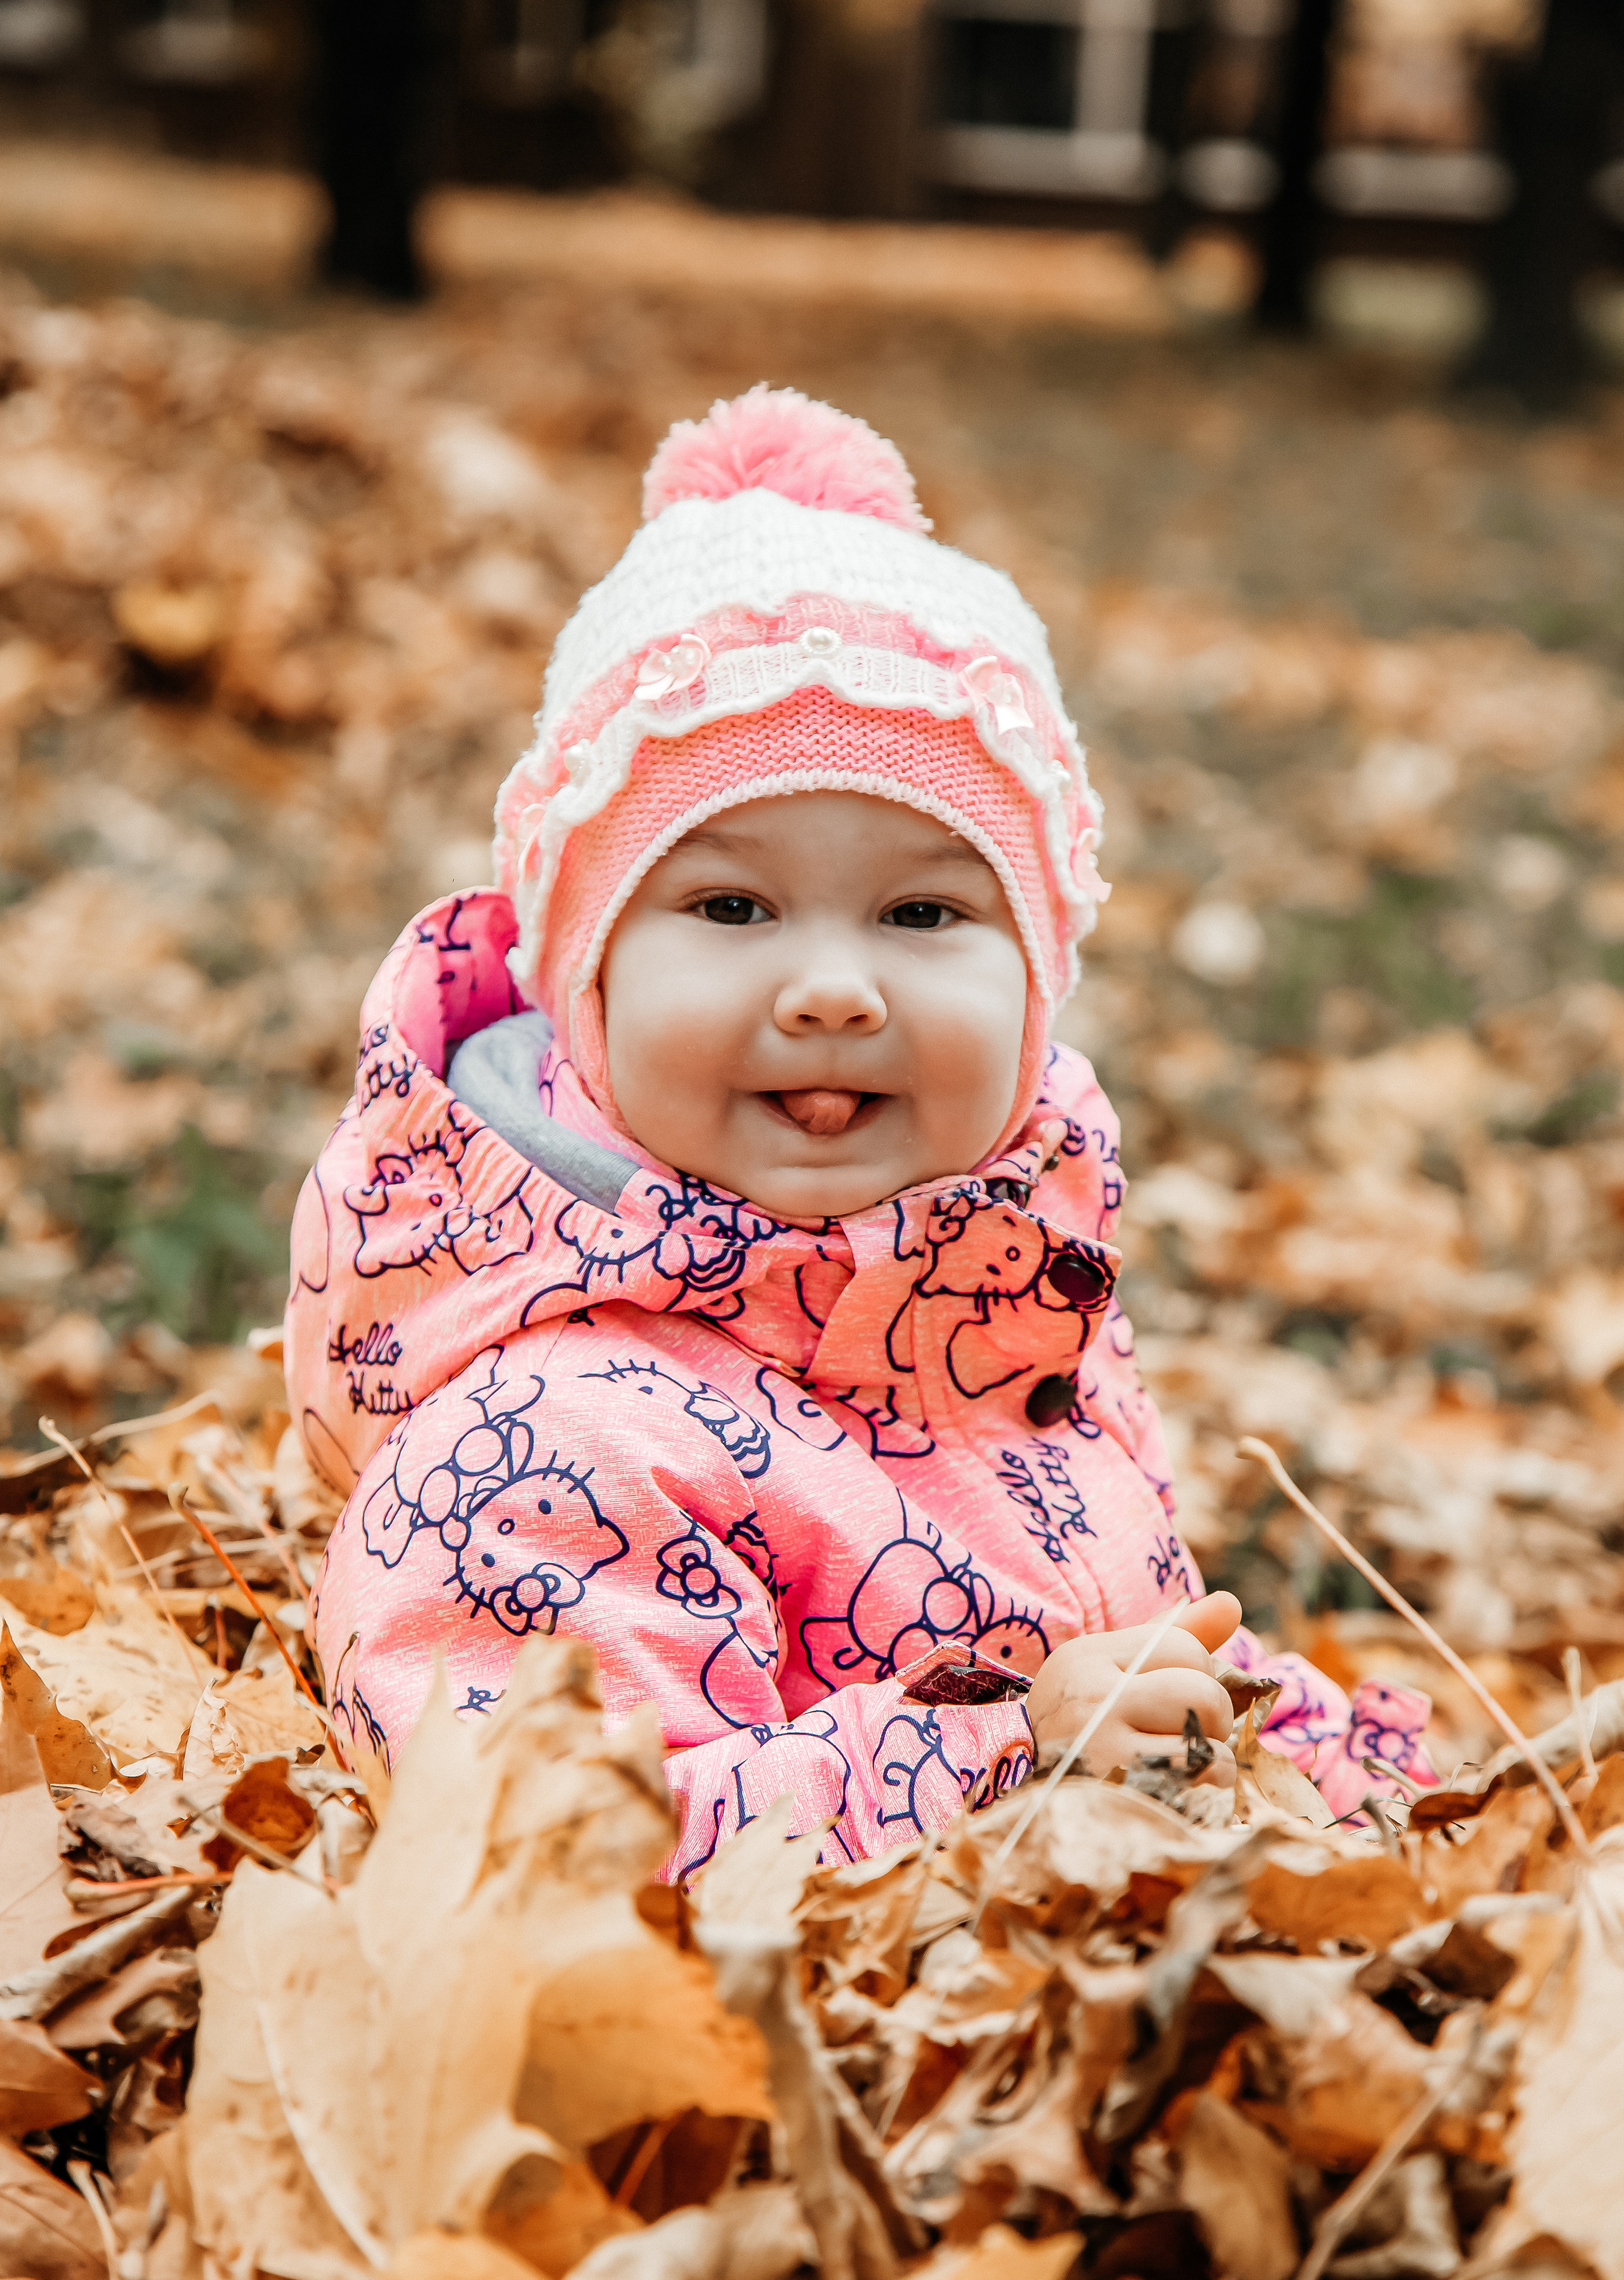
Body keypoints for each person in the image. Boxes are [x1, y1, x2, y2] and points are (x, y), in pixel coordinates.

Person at [285, 387, 1432, 1871]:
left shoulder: (1005, 1307)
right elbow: (553, 1854)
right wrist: (1013, 1759)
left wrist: (1308, 1774)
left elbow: (1128, 1659)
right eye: (731, 905)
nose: (831, 988)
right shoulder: (543, 1441)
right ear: (583, 981)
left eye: (921, 913)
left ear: (1035, 983)